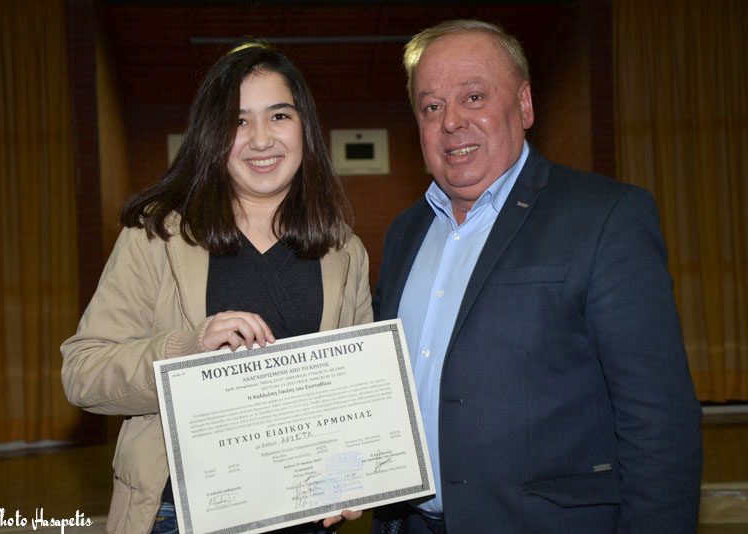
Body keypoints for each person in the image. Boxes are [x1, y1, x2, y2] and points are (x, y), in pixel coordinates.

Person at [372, 20, 702, 533]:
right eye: (431, 106)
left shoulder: (605, 218)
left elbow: (658, 420)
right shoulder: (404, 232)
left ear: (524, 105)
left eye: (474, 97)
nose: (451, 121)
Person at [61, 42, 370, 534]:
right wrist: (187, 350)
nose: (261, 139)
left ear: (305, 128)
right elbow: (83, 373)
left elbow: (356, 395)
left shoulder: (344, 251)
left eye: (279, 115)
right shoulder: (156, 237)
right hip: (177, 517)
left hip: (304, 515)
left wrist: (354, 472)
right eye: (238, 121)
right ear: (212, 135)